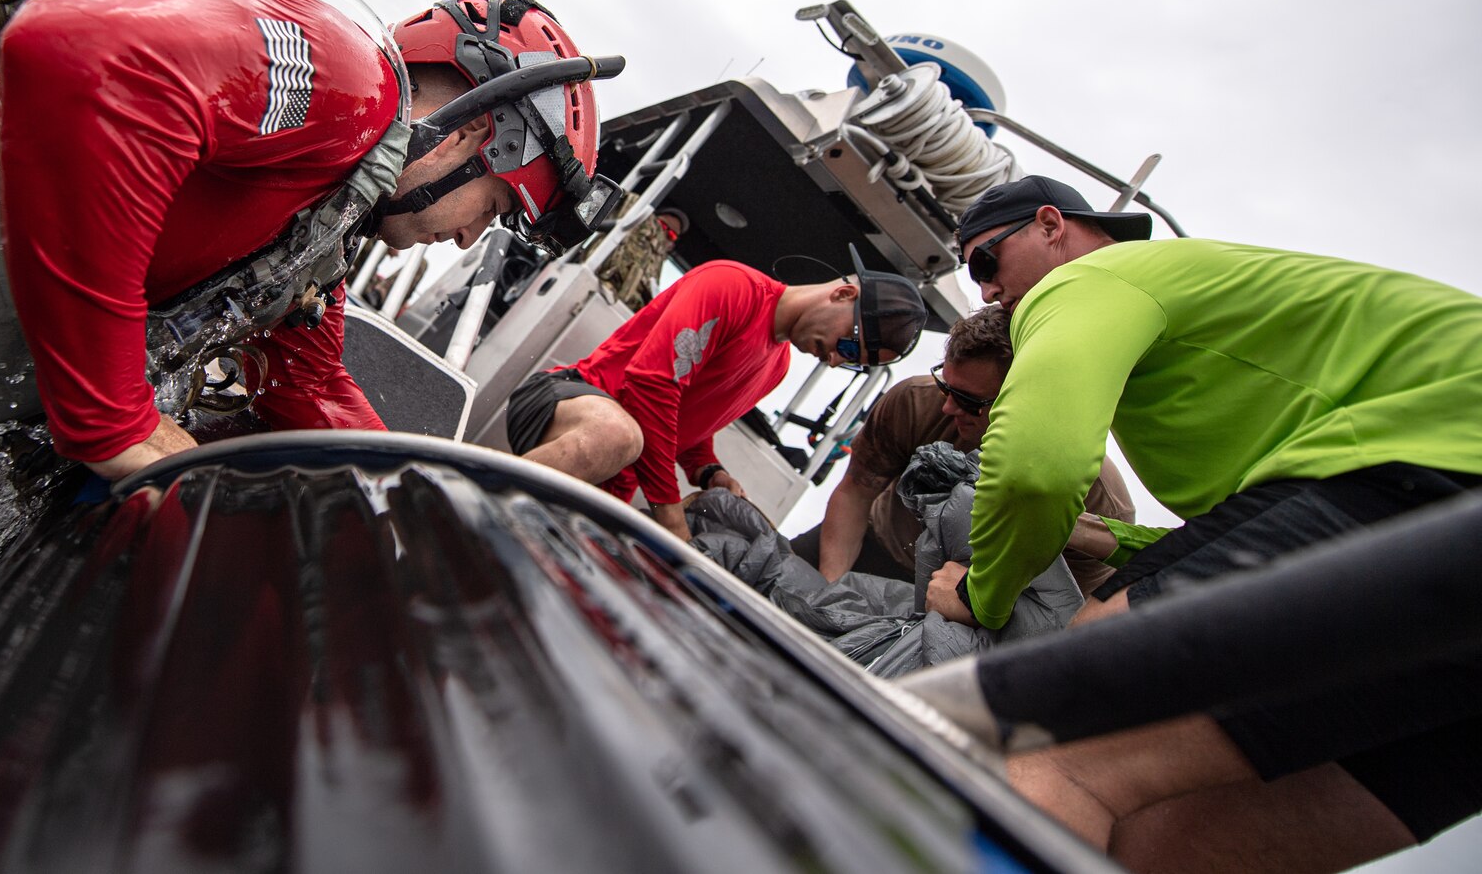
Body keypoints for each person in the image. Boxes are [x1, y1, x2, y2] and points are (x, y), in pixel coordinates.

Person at [919, 174, 1482, 866]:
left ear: (1050, 225)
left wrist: (983, 594)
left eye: (985, 262)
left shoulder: (1096, 276)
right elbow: (1244, 531)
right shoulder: (1211, 326)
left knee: (1038, 740)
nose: (986, 291)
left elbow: (1037, 469)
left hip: (1435, 471)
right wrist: (1107, 537)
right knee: (1156, 843)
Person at [0, 0, 612, 484]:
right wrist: (116, 421)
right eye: (495, 207)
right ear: (469, 134)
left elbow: (305, 382)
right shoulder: (348, 85)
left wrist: (417, 496)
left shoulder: (324, 232)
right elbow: (68, 57)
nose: (469, 239)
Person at [506, 249, 927, 541]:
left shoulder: (776, 365)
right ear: (843, 294)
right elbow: (651, 386)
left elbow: (690, 425)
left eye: (852, 362)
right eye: (849, 346)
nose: (835, 360)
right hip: (563, 400)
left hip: (615, 474)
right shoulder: (732, 285)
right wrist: (670, 517)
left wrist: (708, 471)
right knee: (618, 435)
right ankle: (455, 500)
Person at [791, 303, 1135, 595]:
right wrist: (828, 590)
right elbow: (855, 494)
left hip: (965, 606)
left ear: (1029, 400)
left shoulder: (1099, 501)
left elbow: (1064, 609)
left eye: (970, 401)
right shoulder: (914, 401)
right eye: (946, 387)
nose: (948, 408)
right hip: (870, 544)